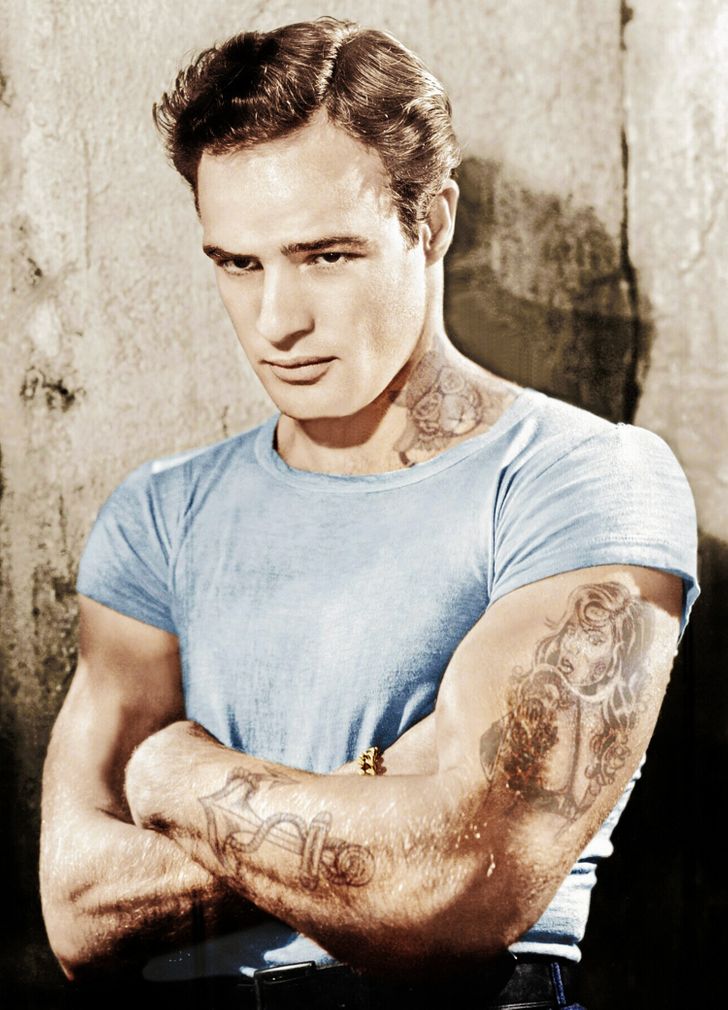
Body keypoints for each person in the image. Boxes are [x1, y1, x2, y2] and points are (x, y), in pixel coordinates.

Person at [39, 16, 699, 1010]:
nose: (277, 322)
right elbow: (79, 909)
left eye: (325, 257)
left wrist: (171, 775)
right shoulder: (160, 512)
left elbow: (454, 885)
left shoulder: (580, 478)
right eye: (239, 263)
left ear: (431, 223)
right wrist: (387, 786)